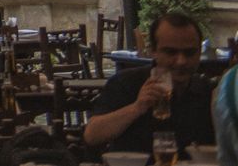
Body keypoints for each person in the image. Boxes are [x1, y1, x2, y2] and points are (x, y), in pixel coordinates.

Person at [85, 12, 216, 155]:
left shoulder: (206, 89)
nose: (181, 61)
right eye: (171, 52)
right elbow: (92, 135)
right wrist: (137, 107)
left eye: (189, 53)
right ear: (153, 51)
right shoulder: (127, 82)